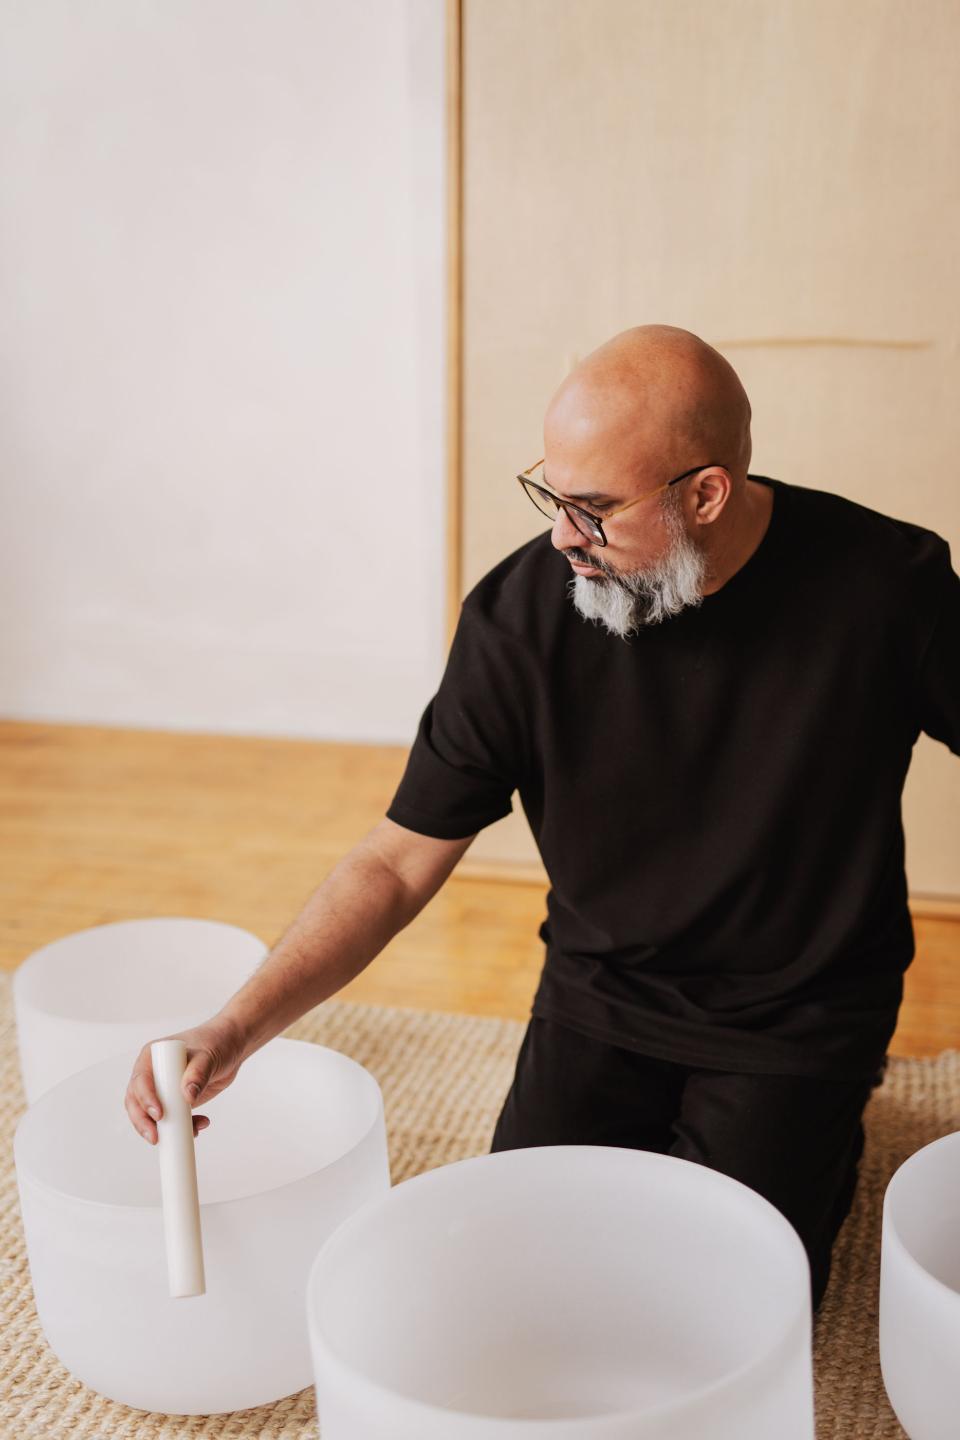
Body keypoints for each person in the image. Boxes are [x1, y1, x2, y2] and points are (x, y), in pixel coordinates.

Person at [125, 323, 960, 1309]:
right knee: (524, 1273)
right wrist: (236, 1026)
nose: (564, 534)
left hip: (801, 1011)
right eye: (553, 496)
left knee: (724, 1299)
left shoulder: (885, 586)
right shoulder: (519, 617)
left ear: (706, 493)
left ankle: (821, 1129)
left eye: (595, 509)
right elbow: (397, 862)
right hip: (602, 992)